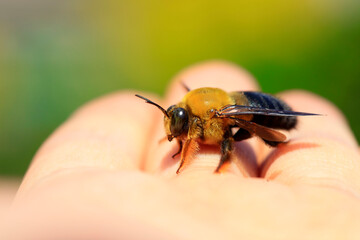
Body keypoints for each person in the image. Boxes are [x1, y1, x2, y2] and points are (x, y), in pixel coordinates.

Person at [4, 61, 360, 239]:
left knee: (243, 126)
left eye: (175, 126)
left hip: (253, 108)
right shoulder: (187, 113)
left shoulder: (210, 116)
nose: (174, 131)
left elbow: (226, 131)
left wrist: (225, 160)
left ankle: (262, 141)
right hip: (233, 105)